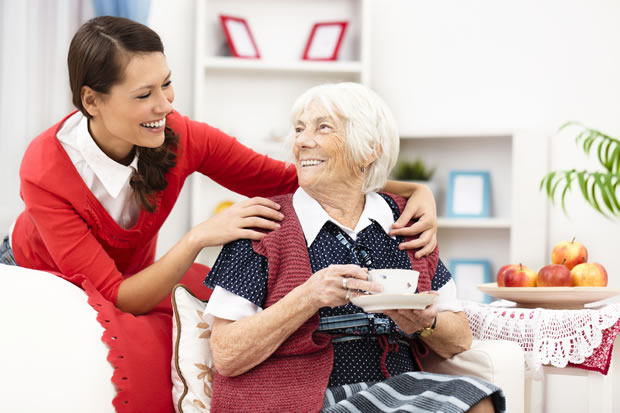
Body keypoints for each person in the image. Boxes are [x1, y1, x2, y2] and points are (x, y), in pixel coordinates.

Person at [1, 16, 439, 413]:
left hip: (134, 278)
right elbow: (119, 296)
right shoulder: (44, 169)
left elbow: (290, 178)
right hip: (44, 273)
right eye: (144, 95)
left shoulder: (181, 136)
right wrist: (197, 237)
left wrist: (410, 190)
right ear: (92, 101)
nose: (166, 105)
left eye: (166, 85)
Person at [204, 82, 506, 412]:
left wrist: (424, 324)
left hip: (395, 390)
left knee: (479, 400)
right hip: (299, 399)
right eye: (300, 129)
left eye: (323, 127)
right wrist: (308, 297)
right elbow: (226, 354)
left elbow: (459, 337)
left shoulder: (405, 221)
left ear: (370, 149)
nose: (302, 141)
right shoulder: (264, 226)